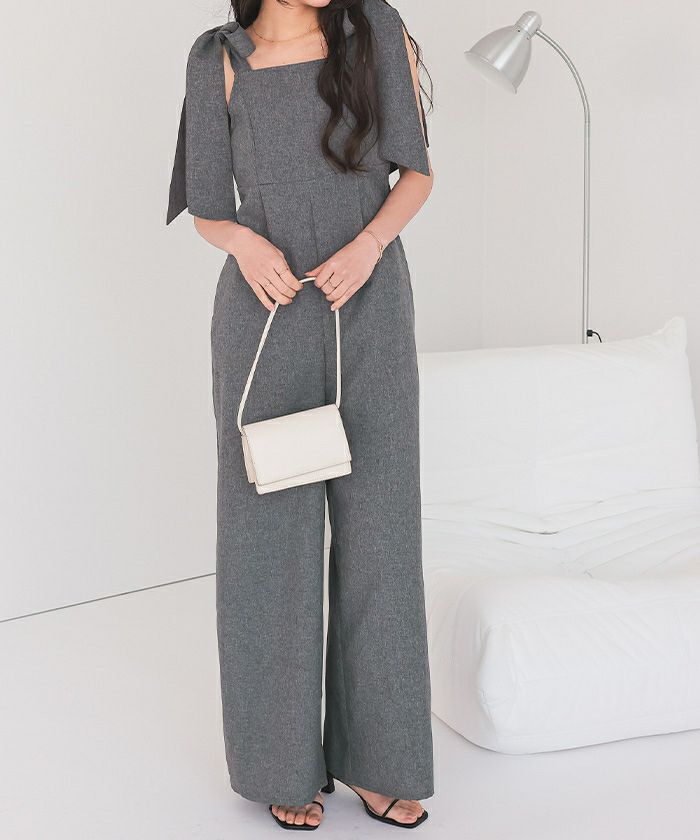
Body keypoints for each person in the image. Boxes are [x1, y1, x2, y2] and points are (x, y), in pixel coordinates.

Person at [167, 0, 435, 830]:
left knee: (381, 537)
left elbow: (417, 173)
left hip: (368, 305)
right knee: (266, 549)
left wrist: (369, 245)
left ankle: (381, 763)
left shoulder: (374, 31)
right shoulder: (216, 58)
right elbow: (207, 206)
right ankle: (282, 764)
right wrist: (246, 245)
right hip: (267, 313)